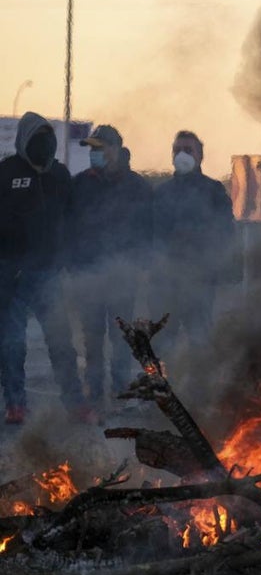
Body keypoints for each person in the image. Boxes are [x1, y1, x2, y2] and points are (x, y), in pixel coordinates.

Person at [0, 112, 86, 424]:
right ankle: (16, 405)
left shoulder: (60, 176)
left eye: (48, 139)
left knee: (61, 343)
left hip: (48, 275)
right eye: (38, 139)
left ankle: (76, 404)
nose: (44, 147)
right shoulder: (6, 172)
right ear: (24, 140)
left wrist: (67, 260)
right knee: (11, 345)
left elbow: (73, 220)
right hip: (11, 276)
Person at [70, 125, 153, 411]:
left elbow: (148, 231)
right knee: (92, 340)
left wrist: (141, 265)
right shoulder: (80, 185)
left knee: (120, 340)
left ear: (116, 150)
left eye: (99, 148)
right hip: (89, 276)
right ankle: (94, 396)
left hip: (122, 277)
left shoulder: (138, 187)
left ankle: (120, 394)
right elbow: (69, 229)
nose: (94, 154)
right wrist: (73, 265)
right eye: (91, 149)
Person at [150, 131, 235, 348]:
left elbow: (225, 233)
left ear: (200, 156)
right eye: (177, 150)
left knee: (200, 341)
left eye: (188, 150)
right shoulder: (162, 193)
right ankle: (167, 382)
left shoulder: (213, 191)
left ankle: (200, 381)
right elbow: (151, 236)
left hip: (200, 282)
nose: (181, 155)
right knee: (164, 344)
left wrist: (216, 268)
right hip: (167, 283)